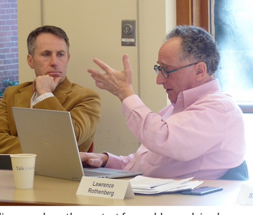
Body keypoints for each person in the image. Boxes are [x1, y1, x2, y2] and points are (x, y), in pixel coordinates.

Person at [81, 26, 246, 180]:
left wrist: (125, 93)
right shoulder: (175, 108)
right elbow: (147, 162)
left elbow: (165, 140)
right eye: (158, 69)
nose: (159, 80)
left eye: (166, 70)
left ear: (199, 71)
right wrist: (105, 160)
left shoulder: (220, 108)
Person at [0, 25, 101, 154]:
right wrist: (48, 147)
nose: (54, 62)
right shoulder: (12, 94)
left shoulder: (87, 97)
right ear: (30, 61)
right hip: (14, 172)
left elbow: (69, 139)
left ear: (67, 59)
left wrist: (45, 94)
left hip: (62, 173)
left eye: (60, 54)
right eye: (46, 54)